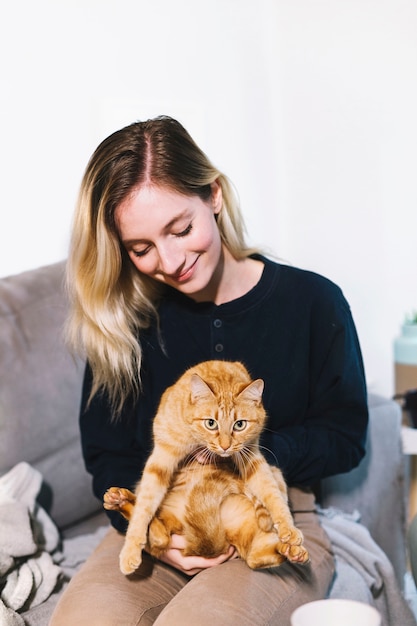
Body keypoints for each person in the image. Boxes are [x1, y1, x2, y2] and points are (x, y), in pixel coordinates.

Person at [50, 115, 368, 625]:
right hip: (162, 512)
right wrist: (152, 532)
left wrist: (249, 454)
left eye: (181, 229)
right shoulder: (127, 322)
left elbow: (347, 436)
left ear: (214, 196)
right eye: (141, 248)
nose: (171, 261)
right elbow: (107, 455)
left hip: (267, 512)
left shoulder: (312, 302)